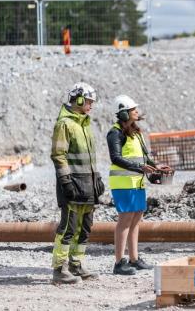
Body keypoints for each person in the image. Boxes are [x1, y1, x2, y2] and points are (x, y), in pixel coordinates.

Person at [107, 95, 171, 275]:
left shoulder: (136, 132)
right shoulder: (115, 132)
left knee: (136, 219)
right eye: (133, 109)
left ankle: (134, 259)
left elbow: (144, 156)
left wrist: (155, 165)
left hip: (137, 181)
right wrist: (139, 167)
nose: (137, 112)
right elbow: (116, 158)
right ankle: (119, 262)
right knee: (125, 220)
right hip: (123, 183)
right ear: (124, 113)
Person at [51, 82, 104, 284]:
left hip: (87, 185)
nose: (91, 105)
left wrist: (96, 177)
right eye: (89, 101)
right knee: (68, 228)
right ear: (79, 99)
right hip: (72, 186)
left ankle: (76, 264)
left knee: (84, 228)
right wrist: (66, 181)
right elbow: (58, 155)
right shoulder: (65, 124)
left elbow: (89, 157)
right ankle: (59, 269)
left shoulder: (84, 124)